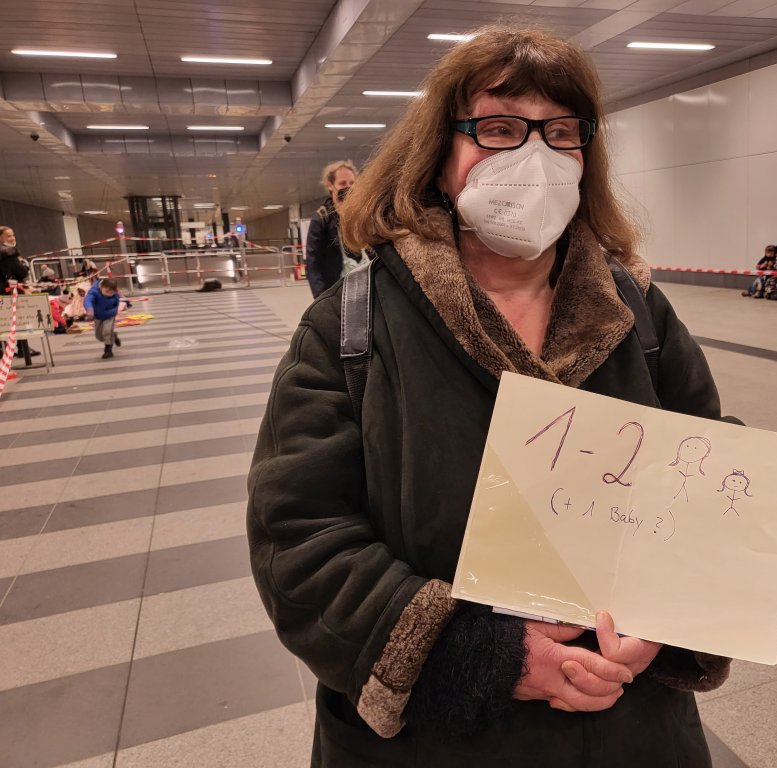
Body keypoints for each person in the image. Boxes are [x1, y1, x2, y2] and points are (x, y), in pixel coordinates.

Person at [248, 25, 731, 767]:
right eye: (500, 129)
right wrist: (483, 655)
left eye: (560, 133)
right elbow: (299, 540)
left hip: (633, 729)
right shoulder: (351, 327)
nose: (532, 158)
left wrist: (662, 621)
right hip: (435, 742)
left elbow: (714, 476)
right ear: (441, 156)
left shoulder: (635, 312)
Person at [305, 159, 360, 298]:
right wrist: (322, 299)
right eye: (342, 183)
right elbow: (313, 266)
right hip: (336, 291)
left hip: (365, 287)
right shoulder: (321, 219)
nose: (348, 187)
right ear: (330, 185)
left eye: (352, 183)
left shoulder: (362, 215)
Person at [0, 225, 36, 367]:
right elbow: (22, 272)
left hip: (4, 290)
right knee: (16, 319)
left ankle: (17, 348)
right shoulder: (9, 253)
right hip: (9, 290)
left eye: (13, 235)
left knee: (6, 321)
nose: (12, 238)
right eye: (9, 235)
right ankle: (22, 348)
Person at [83, 277, 123, 359]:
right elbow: (88, 300)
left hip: (110, 315)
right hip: (98, 316)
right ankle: (113, 335)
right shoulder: (94, 291)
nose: (108, 294)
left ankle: (108, 350)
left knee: (107, 331)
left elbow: (117, 302)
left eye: (111, 293)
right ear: (101, 287)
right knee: (99, 337)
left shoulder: (115, 293)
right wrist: (89, 309)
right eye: (106, 291)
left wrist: (115, 310)